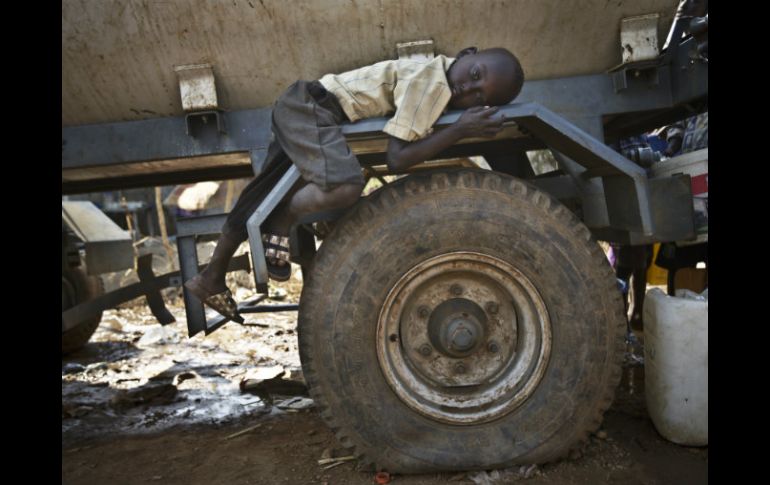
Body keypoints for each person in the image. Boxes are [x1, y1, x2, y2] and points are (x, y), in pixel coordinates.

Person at [184, 47, 525, 321]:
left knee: (263, 193)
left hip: (303, 104)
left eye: (479, 97)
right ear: (466, 54)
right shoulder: (432, 84)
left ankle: (211, 277)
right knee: (346, 185)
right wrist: (460, 129)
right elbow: (398, 159)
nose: (468, 89)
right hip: (311, 108)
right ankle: (282, 220)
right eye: (475, 75)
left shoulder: (435, 77)